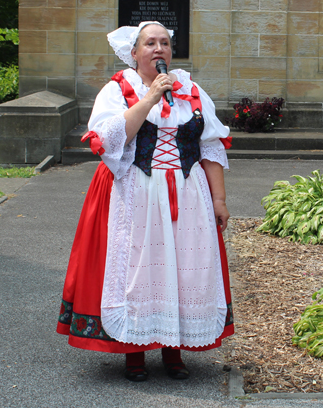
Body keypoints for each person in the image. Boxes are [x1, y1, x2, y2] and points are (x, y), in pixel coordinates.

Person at [57, 21, 234, 382]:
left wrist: (219, 199)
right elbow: (107, 140)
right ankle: (134, 353)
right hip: (134, 190)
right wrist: (151, 97)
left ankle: (174, 351)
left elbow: (211, 147)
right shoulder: (118, 90)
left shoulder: (192, 90)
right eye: (150, 43)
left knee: (184, 267)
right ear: (134, 53)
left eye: (165, 43)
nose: (159, 49)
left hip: (187, 193)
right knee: (139, 269)